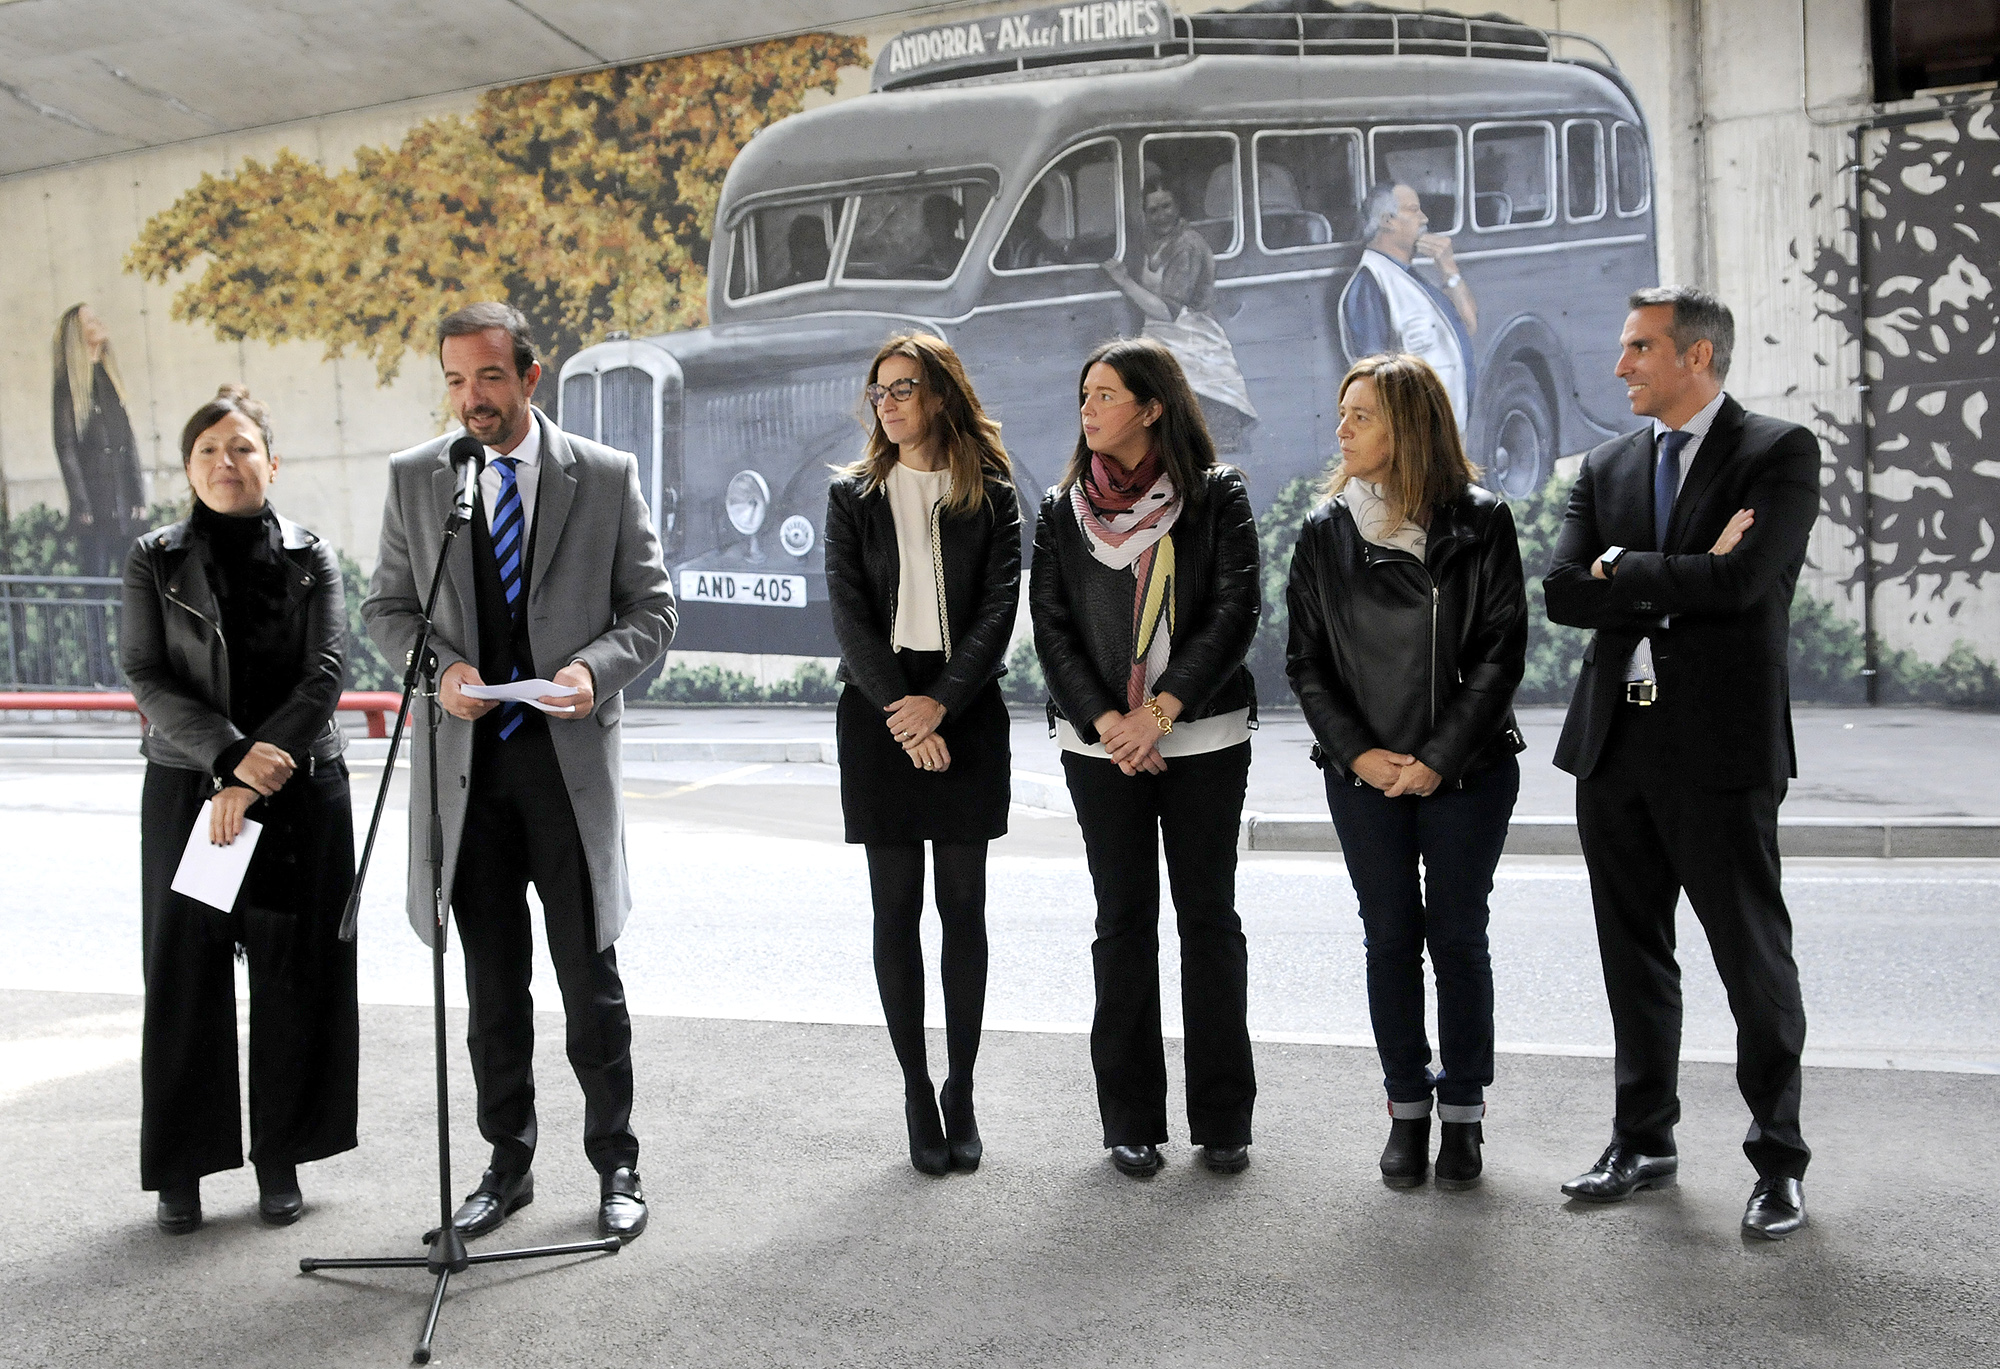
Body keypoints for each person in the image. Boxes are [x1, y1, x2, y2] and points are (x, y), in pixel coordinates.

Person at [363, 301, 676, 1244]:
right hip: (466, 783)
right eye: (456, 381)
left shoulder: (605, 476)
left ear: (530, 378)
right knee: (492, 989)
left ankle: (616, 1160)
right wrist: (441, 672)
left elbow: (652, 610)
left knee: (590, 981)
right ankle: (506, 1165)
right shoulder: (421, 478)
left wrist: (594, 670)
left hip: (564, 772)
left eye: (490, 378)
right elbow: (386, 609)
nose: (473, 400)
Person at [1544, 286, 1819, 1239]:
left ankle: (1778, 1161)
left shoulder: (1777, 452)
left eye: (1638, 349)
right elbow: (1565, 594)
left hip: (1720, 752)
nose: (1619, 365)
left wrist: (1629, 572)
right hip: (1615, 748)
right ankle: (1643, 1139)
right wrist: (1672, 572)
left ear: (1696, 356)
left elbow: (1746, 583)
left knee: (1751, 958)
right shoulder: (1608, 462)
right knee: (1634, 957)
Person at [1284, 353, 1527, 1190]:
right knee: (1390, 939)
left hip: (1466, 768)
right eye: (1342, 413)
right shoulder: (1325, 531)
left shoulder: (1482, 521)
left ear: (1410, 426)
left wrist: (1435, 758)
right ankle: (1406, 1108)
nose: (1342, 429)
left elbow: (1501, 655)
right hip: (1362, 774)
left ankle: (1462, 1112)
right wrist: (1358, 752)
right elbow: (1305, 662)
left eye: (1363, 416)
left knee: (1458, 938)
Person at [121, 384, 358, 1234]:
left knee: (293, 977)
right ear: (189, 469)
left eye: (243, 446)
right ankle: (181, 1171)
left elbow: (325, 674)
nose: (228, 462)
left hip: (298, 791)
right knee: (185, 979)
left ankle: (281, 1158)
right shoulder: (153, 558)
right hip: (188, 786)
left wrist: (247, 779)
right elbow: (147, 674)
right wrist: (224, 758)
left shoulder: (312, 554)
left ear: (272, 461)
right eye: (210, 450)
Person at [1029, 336, 1260, 1179]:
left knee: (1208, 923)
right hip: (1101, 749)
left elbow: (1236, 612)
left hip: (1201, 737)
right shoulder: (1062, 511)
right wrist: (1108, 723)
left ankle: (1224, 1120)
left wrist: (1159, 713)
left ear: (1153, 405)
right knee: (1122, 924)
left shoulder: (1216, 496)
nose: (1088, 409)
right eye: (1084, 395)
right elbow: (1050, 627)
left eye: (1105, 394)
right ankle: (1129, 1120)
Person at [824, 333, 1022, 1176]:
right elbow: (848, 615)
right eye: (880, 391)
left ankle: (962, 1087)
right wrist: (907, 717)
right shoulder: (853, 495)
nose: (890, 402)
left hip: (965, 705)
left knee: (964, 911)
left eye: (904, 387)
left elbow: (997, 612)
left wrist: (940, 704)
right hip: (878, 709)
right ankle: (915, 1087)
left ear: (941, 393)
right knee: (895, 910)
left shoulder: (995, 492)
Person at [1102, 174, 1258, 452]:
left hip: (1193, 342)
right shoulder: (1153, 243)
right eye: (1153, 210)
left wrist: (1124, 282)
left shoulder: (1187, 245)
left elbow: (1166, 311)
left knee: (1207, 431)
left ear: (1178, 207)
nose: (1162, 216)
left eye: (1167, 207)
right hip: (1165, 341)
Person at [1337, 184, 1479, 427]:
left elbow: (1469, 325)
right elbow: (1373, 380)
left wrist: (1449, 270)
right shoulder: (1370, 285)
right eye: (1414, 210)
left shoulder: (1413, 278)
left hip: (1445, 431)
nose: (1424, 219)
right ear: (1388, 221)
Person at [53, 303, 147, 575]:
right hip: (96, 505)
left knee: (131, 584)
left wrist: (138, 497)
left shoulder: (108, 377)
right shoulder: (68, 388)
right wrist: (82, 504)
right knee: (96, 581)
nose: (99, 323)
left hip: (125, 503)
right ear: (77, 334)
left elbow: (128, 443)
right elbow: (66, 448)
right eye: (90, 321)